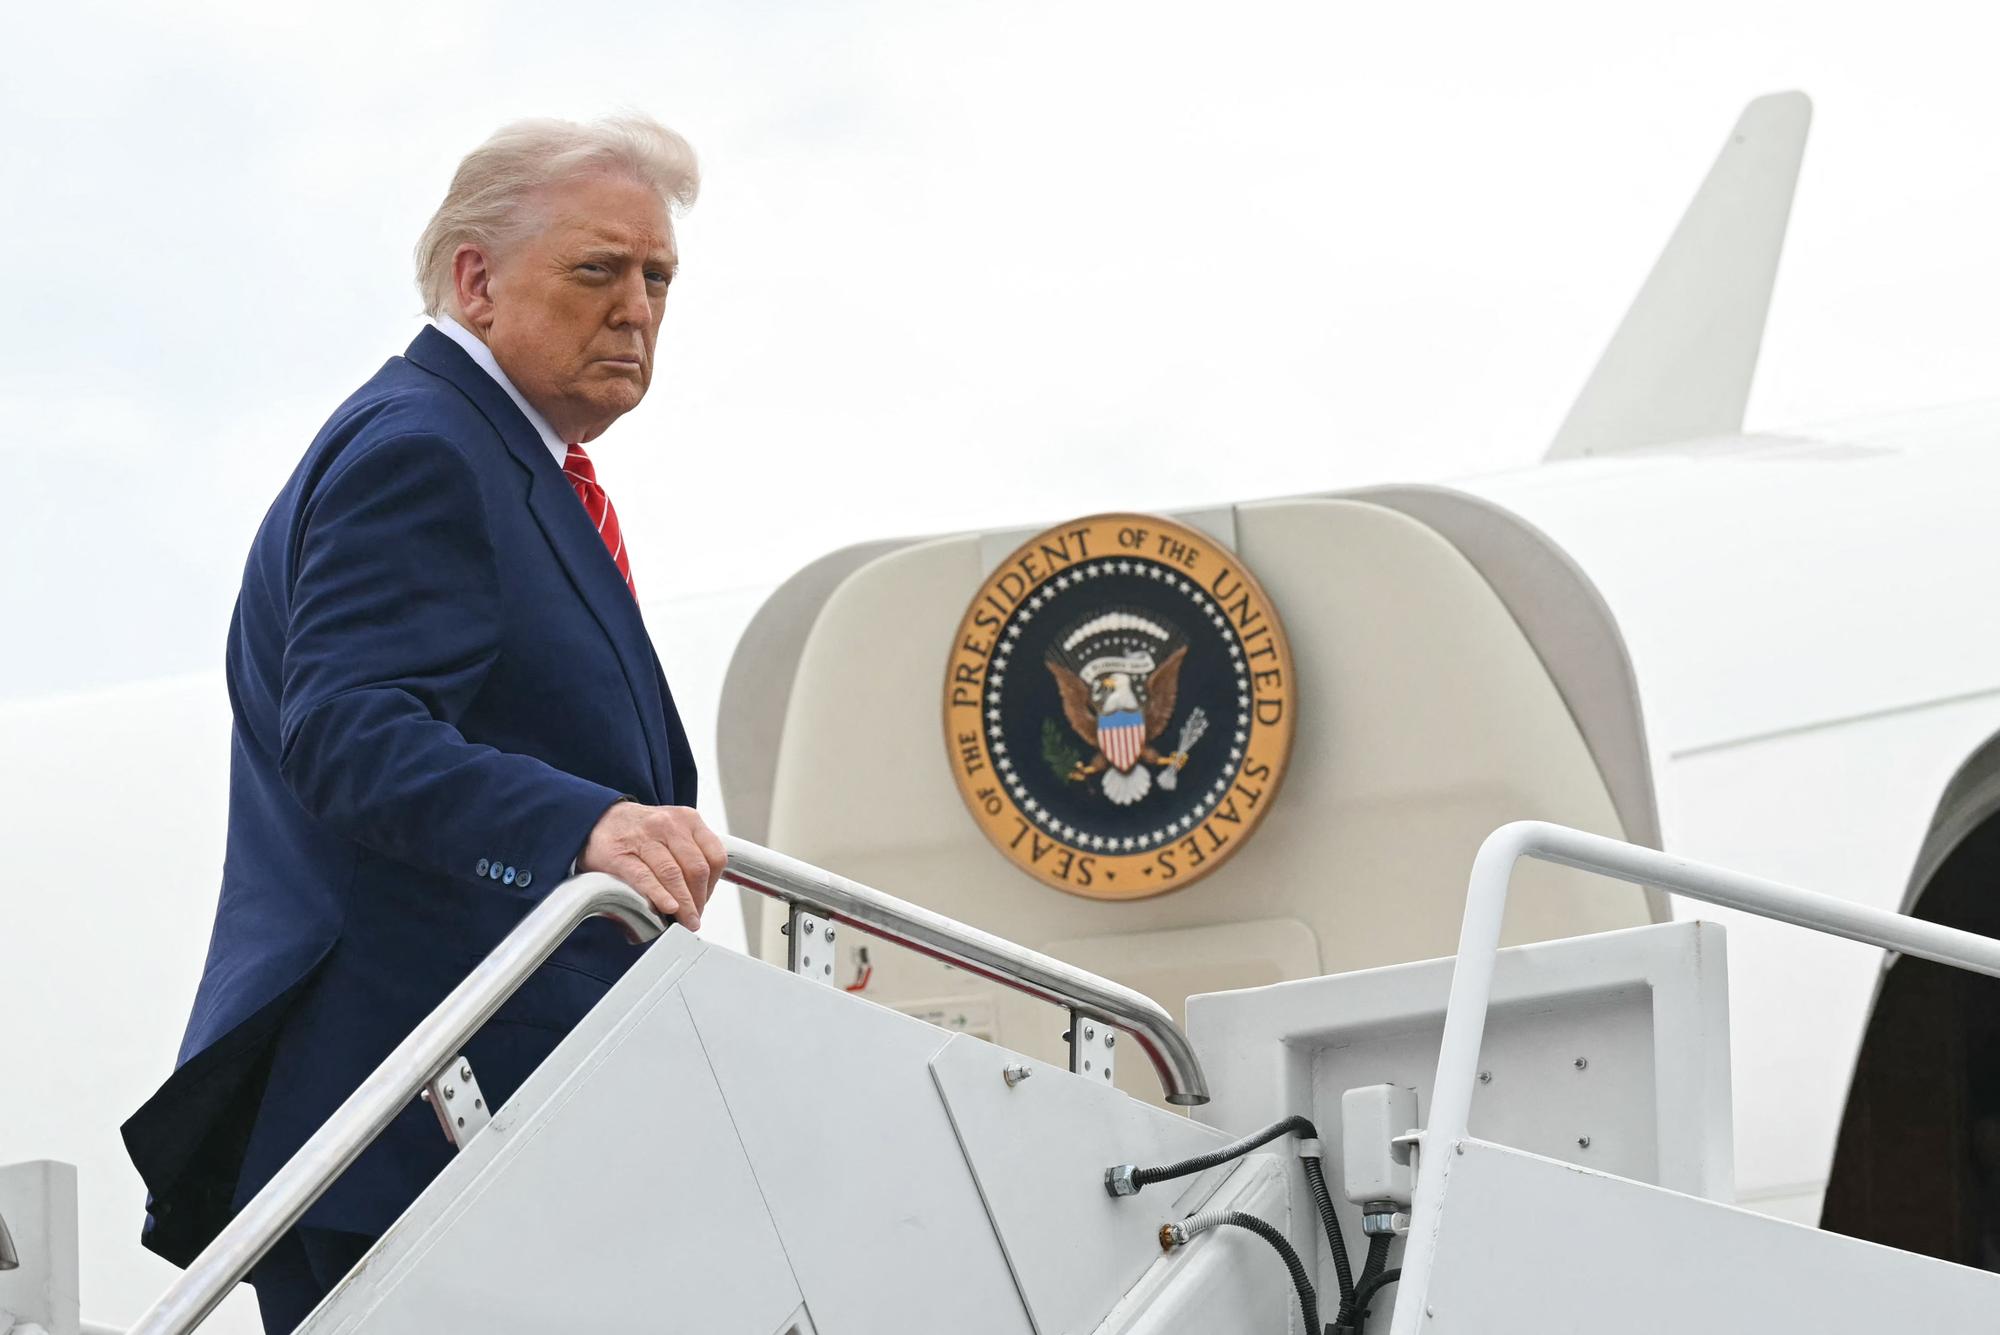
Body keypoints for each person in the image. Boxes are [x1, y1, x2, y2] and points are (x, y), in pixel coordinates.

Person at [121, 114, 725, 1334]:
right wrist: (579, 829)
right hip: (419, 1123)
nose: (636, 310)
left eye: (657, 277)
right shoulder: (426, 448)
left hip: (489, 1119)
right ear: (475, 280)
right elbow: (349, 735)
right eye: (598, 269)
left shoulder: (496, 457)